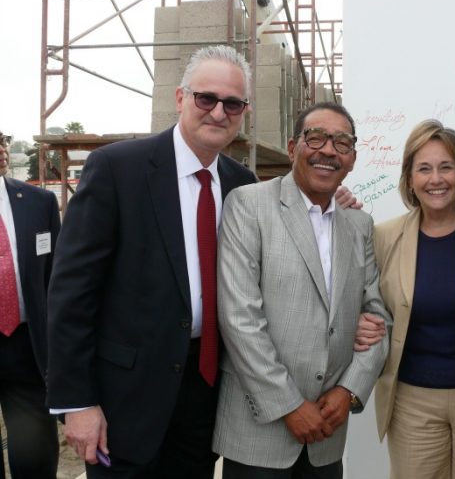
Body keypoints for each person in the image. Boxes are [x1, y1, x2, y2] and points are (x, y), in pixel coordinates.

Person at [47, 45, 258, 479]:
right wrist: (78, 402)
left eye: (232, 103)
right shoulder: (117, 169)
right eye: (206, 98)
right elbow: (71, 293)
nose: (219, 112)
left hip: (205, 393)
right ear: (180, 99)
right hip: (125, 401)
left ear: (244, 111)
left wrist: (334, 204)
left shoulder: (243, 186)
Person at [213, 102, 391, 479]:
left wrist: (349, 391)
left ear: (353, 159)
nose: (329, 150)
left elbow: (378, 319)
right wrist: (290, 405)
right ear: (294, 148)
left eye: (342, 143)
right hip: (257, 432)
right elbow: (239, 318)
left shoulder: (359, 225)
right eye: (316, 138)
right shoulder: (248, 205)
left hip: (327, 434)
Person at [364, 120, 455, 479]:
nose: (436, 179)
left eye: (446, 167)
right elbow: (367, 303)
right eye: (424, 169)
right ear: (409, 178)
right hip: (412, 402)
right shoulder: (384, 236)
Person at [0, 131, 60, 479]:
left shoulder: (39, 203)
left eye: (2, 140)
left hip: (28, 346)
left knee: (34, 451)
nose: (1, 149)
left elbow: (58, 278)